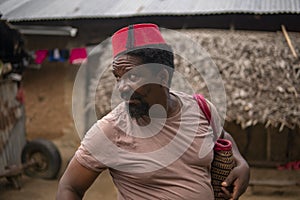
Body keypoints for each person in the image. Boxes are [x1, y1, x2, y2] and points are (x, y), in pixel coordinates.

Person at [57, 23, 250, 200]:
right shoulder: (111, 131)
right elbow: (70, 187)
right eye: (118, 77)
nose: (122, 88)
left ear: (163, 77)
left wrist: (241, 164)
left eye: (132, 76)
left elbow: (223, 136)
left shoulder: (201, 109)